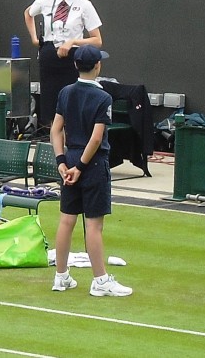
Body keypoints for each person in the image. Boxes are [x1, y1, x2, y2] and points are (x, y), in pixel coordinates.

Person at [51, 44, 132, 298]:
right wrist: (80, 167)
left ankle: (61, 276)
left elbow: (56, 130)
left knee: (66, 220)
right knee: (94, 226)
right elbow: (96, 139)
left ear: (76, 65)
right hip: (92, 164)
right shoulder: (103, 97)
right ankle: (100, 280)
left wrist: (63, 163)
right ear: (97, 66)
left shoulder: (65, 92)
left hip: (72, 160)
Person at [24, 0, 103, 130]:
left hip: (72, 58)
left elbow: (97, 40)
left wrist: (73, 41)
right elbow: (28, 13)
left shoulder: (84, 5)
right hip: (50, 56)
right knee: (51, 106)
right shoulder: (46, 2)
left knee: (71, 104)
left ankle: (72, 145)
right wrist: (34, 38)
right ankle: (56, 150)